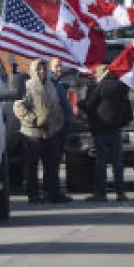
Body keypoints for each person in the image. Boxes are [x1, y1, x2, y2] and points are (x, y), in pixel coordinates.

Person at [14, 59, 63, 204]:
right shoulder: (28, 86)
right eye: (39, 69)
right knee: (32, 166)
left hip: (50, 132)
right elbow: (19, 107)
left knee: (52, 164)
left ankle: (52, 193)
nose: (42, 72)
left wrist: (57, 122)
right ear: (34, 71)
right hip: (31, 133)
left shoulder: (51, 86)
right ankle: (33, 194)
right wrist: (33, 120)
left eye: (44, 69)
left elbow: (56, 105)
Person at [81, 62, 132, 202]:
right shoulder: (121, 86)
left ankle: (100, 193)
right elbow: (126, 107)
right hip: (116, 129)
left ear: (101, 74)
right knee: (117, 163)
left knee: (101, 163)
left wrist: (79, 104)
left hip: (101, 129)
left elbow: (89, 106)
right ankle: (120, 193)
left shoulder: (100, 87)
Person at [48, 58, 78, 203]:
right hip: (55, 128)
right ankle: (53, 193)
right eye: (56, 66)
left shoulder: (57, 83)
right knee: (53, 162)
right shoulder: (50, 83)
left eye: (60, 66)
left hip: (61, 126)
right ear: (50, 67)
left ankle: (54, 191)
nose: (59, 68)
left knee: (56, 162)